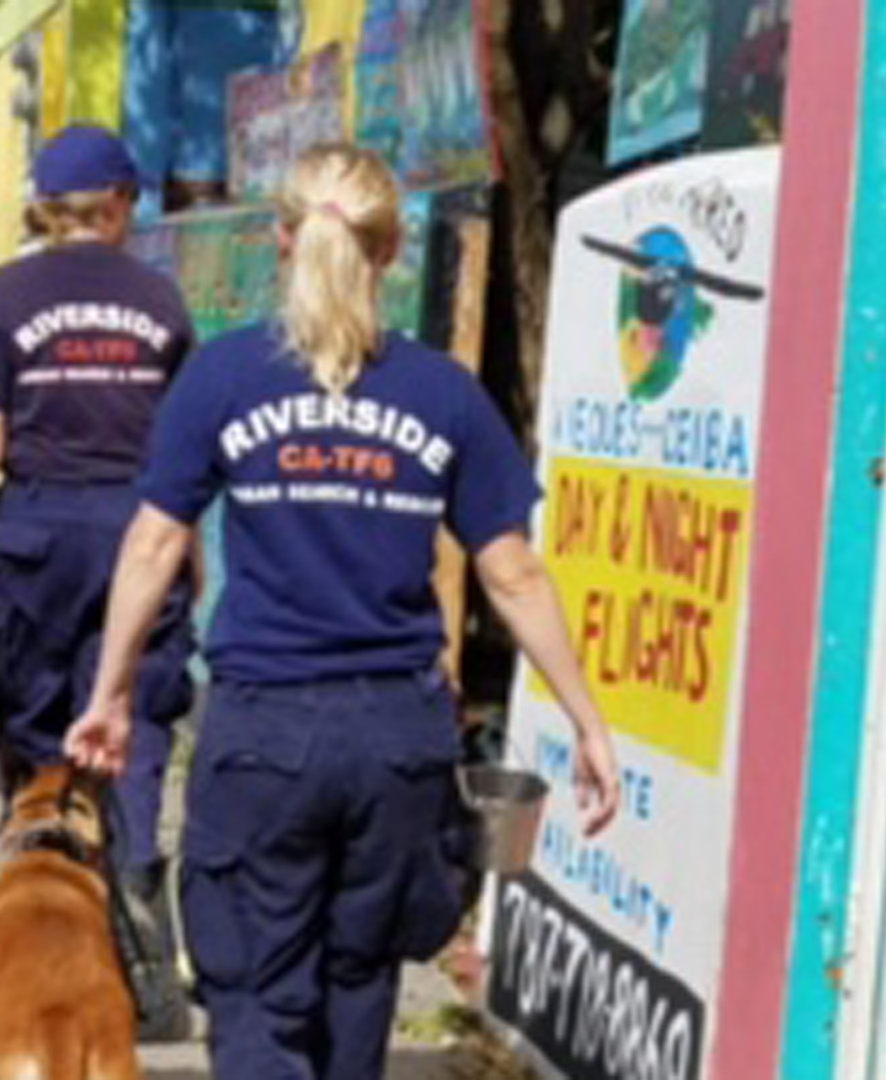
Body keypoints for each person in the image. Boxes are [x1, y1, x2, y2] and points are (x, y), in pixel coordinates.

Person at [64, 143, 623, 1078]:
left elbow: (155, 544)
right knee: (359, 980)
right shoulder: (444, 394)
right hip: (398, 740)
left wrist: (110, 692)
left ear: (282, 242)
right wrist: (588, 721)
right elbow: (515, 574)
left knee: (254, 990)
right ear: (392, 251)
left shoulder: (225, 378)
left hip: (263, 733)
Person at [0, 125, 198, 1035]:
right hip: (139, 527)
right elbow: (183, 447)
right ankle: (142, 940)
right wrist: (187, 556)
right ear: (120, 202)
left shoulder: (5, 295)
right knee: (140, 719)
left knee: (41, 726)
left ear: (47, 206)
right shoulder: (161, 300)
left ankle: (49, 930)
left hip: (38, 536)